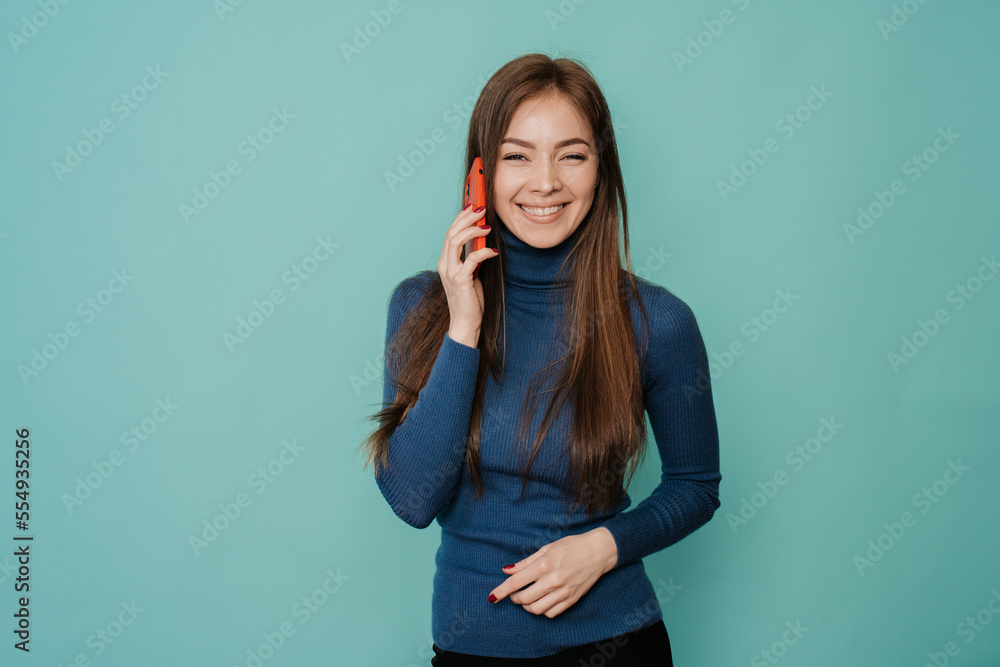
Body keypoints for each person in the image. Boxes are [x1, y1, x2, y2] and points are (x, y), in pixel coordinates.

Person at [358, 53, 721, 665]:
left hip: (617, 645)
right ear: (480, 175)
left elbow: (696, 487)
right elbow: (414, 500)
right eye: (517, 156)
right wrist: (464, 326)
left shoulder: (658, 320)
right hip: (471, 647)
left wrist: (602, 548)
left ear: (601, 168)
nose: (546, 182)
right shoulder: (422, 307)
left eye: (571, 155)